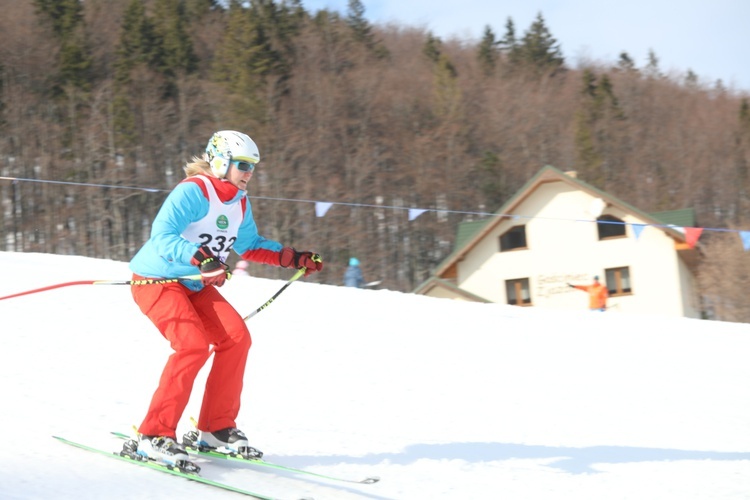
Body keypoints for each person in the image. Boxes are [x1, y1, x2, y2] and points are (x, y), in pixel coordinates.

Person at [128, 130, 323, 467]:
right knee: (191, 346)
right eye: (243, 165)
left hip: (194, 286)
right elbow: (161, 236)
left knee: (236, 338)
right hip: (156, 280)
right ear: (221, 162)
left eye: (253, 166)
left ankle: (215, 428)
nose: (249, 172)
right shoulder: (192, 192)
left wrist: (292, 258)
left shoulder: (239, 201)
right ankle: (154, 435)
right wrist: (201, 257)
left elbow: (249, 245)